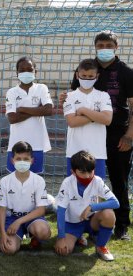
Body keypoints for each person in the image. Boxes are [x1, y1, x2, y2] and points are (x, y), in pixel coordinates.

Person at [60, 30, 133, 240]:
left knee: (119, 179)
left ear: (116, 47)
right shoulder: (87, 68)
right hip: (87, 134)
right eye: (100, 46)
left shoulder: (126, 72)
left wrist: (129, 134)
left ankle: (121, 224)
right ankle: (81, 223)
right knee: (83, 180)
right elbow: (73, 97)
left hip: (118, 133)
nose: (103, 49)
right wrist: (65, 97)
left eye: (108, 45)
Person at [54, 151, 120, 261]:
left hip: (91, 221)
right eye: (82, 172)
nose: (87, 175)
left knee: (109, 214)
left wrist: (92, 207)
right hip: (72, 224)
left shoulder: (97, 181)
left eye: (90, 171)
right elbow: (61, 211)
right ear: (73, 172)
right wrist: (61, 237)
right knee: (63, 250)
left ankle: (101, 247)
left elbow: (115, 202)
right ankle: (78, 237)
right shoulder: (67, 183)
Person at [0, 141, 51, 255]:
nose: (22, 162)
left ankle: (35, 236)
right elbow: (1, 209)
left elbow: (41, 210)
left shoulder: (38, 180)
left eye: (25, 159)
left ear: (32, 160)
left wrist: (19, 221)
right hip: (12, 218)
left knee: (44, 232)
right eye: (18, 158)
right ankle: (17, 237)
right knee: (9, 249)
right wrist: (2, 234)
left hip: (32, 218)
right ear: (12, 161)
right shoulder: (5, 181)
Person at [63, 59, 113, 179]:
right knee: (74, 192)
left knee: (97, 193)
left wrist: (84, 110)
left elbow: (107, 120)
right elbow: (72, 122)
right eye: (83, 76)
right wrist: (96, 115)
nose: (87, 79)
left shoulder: (103, 95)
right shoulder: (68, 96)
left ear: (97, 76)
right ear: (77, 75)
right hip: (74, 152)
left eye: (90, 76)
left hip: (97, 153)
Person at [5, 56, 53, 173]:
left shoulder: (42, 88)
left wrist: (22, 109)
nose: (26, 72)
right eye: (22, 70)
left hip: (37, 144)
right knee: (14, 180)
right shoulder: (12, 92)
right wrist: (37, 109)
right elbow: (12, 118)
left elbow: (48, 110)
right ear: (17, 73)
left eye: (29, 69)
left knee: (36, 180)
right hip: (15, 144)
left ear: (35, 72)